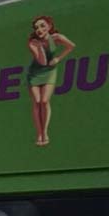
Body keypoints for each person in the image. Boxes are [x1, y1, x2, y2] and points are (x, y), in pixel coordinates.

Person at [25, 15, 75, 147]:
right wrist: (40, 47)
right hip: (35, 73)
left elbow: (71, 46)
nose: (39, 29)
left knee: (44, 101)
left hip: (50, 72)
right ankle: (39, 133)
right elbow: (42, 62)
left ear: (49, 26)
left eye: (42, 26)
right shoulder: (32, 42)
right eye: (36, 27)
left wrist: (58, 58)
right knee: (36, 101)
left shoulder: (57, 38)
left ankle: (45, 132)